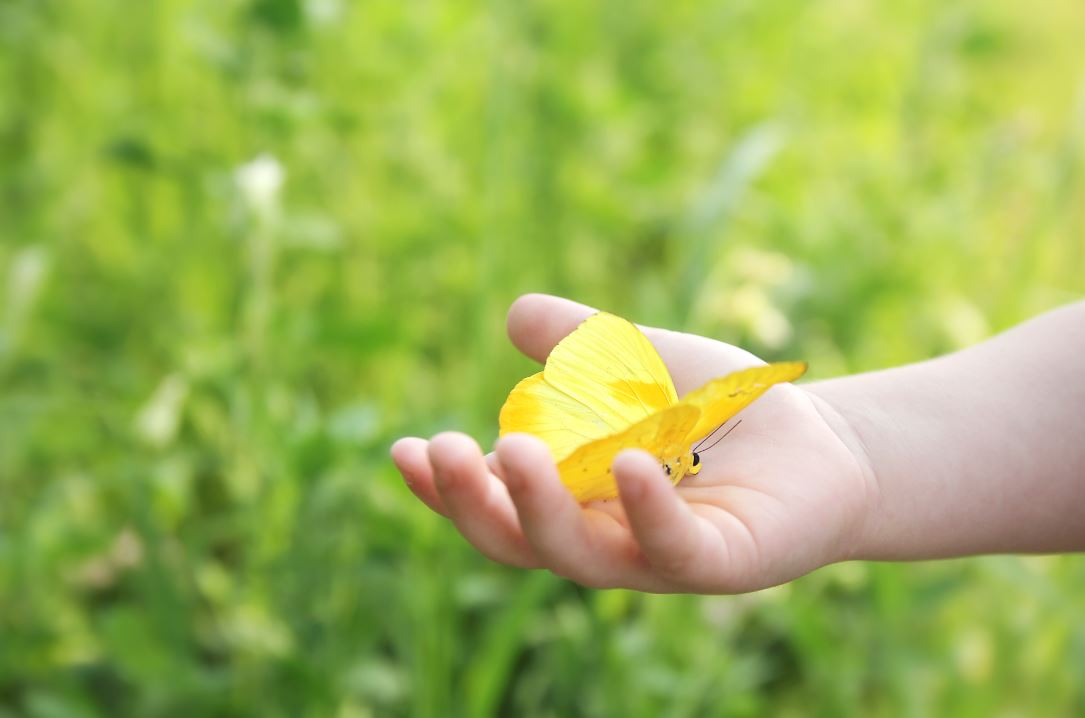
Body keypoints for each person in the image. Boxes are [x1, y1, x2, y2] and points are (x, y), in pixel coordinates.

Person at [390, 293, 1085, 594]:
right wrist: (858, 449)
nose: (690, 462)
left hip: (582, 445)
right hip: (591, 456)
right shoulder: (675, 440)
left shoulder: (679, 440)